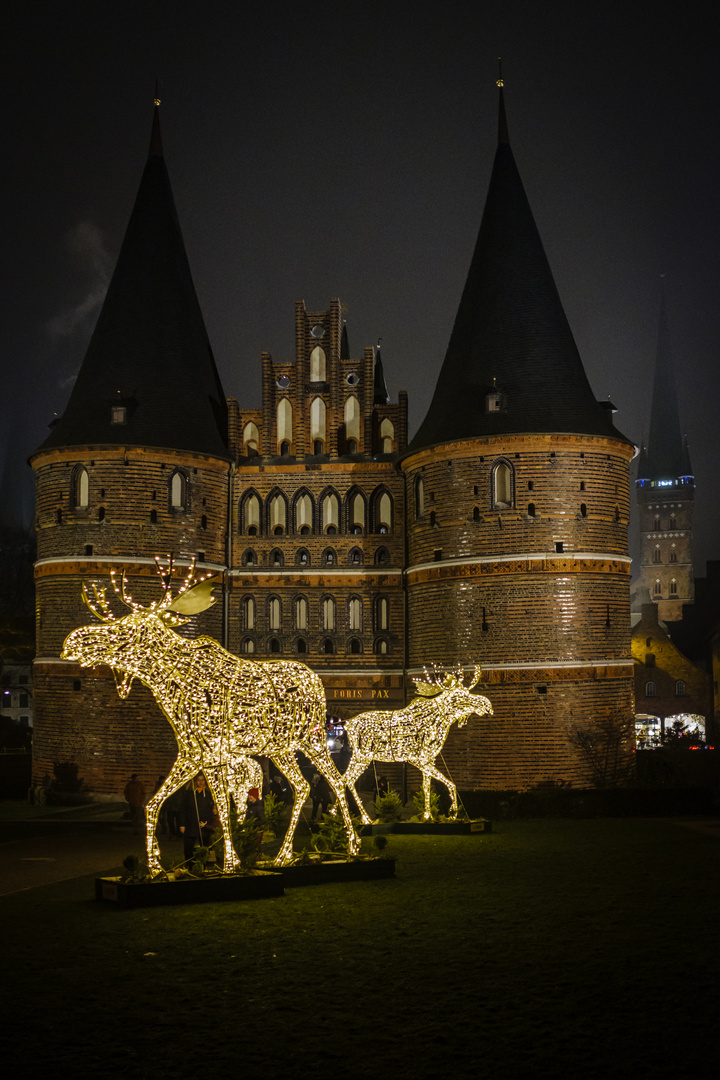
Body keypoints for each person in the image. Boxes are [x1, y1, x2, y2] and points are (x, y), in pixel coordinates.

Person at [179, 774, 217, 862]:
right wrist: (182, 824)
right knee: (188, 847)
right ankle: (189, 863)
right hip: (191, 824)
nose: (200, 782)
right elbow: (183, 809)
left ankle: (203, 863)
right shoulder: (189, 794)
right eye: (198, 780)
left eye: (202, 780)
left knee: (204, 847)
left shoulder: (209, 795)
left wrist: (208, 822)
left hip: (203, 825)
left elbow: (212, 810)